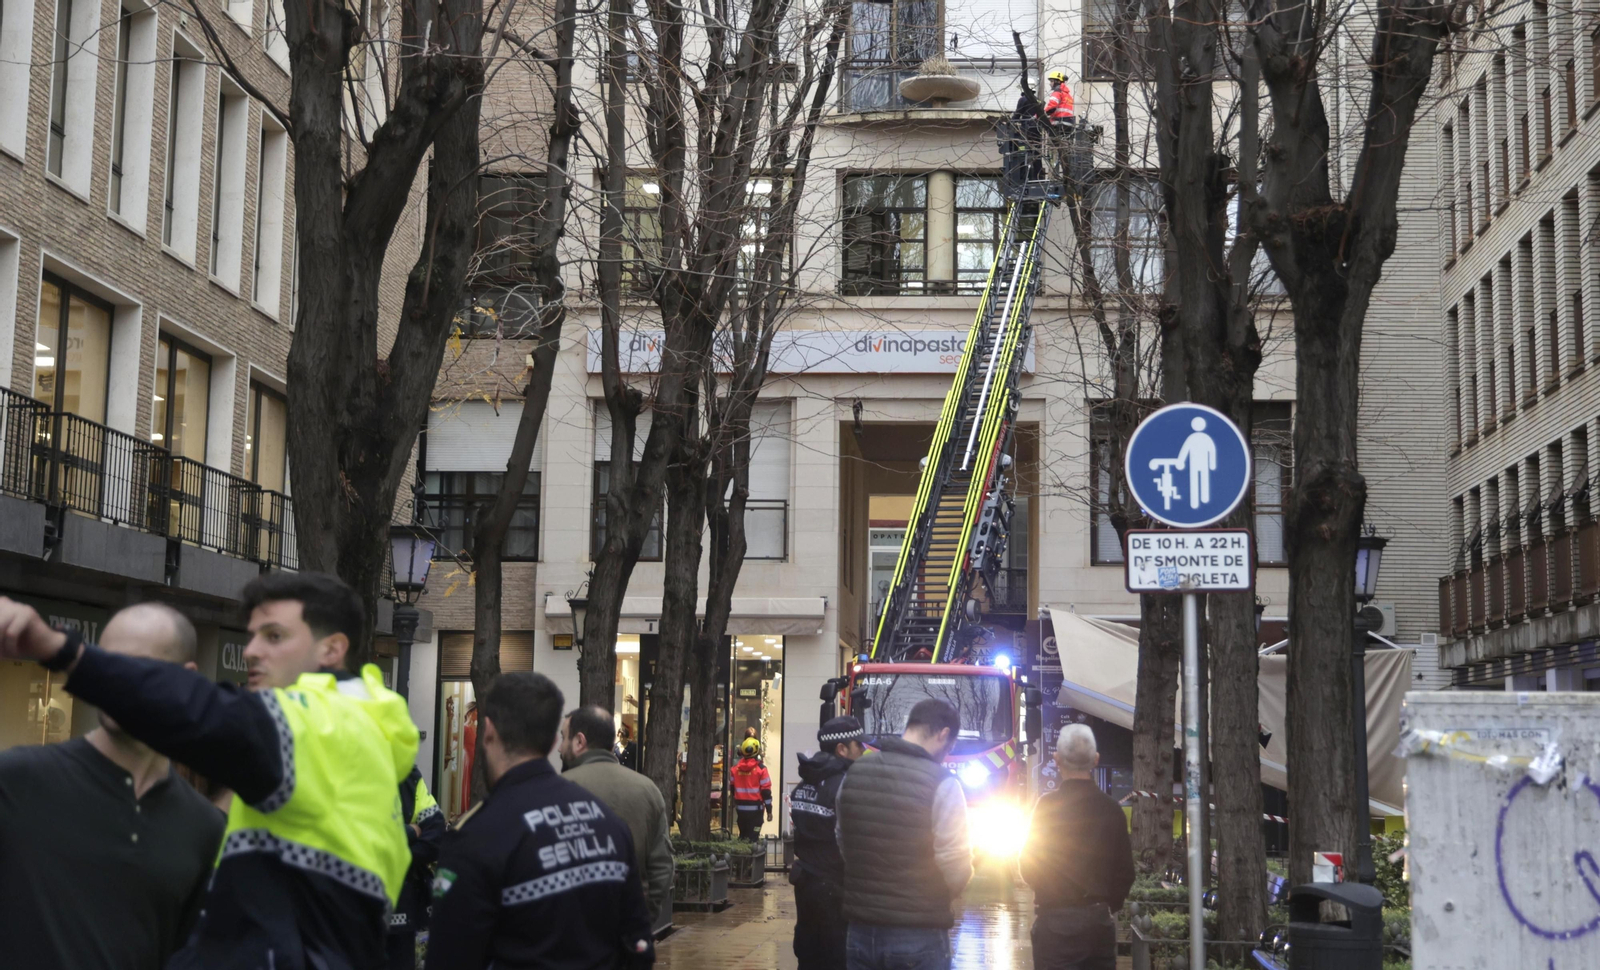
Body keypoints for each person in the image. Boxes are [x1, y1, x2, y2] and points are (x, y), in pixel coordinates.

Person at [0, 572, 420, 970]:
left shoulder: (323, 725)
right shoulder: (363, 732)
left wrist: (59, 648)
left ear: (331, 649)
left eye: (274, 636)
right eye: (252, 635)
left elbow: (204, 712)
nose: (252, 650)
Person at [0, 603, 225, 970]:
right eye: (104, 663)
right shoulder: (17, 779)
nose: (112, 679)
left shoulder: (205, 827)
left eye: (136, 666)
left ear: (186, 678)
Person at [426, 673, 655, 969]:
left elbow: (450, 956)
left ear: (489, 731)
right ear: (551, 743)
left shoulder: (475, 836)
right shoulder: (607, 823)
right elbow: (639, 946)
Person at [836, 698, 972, 970]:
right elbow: (955, 862)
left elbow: (843, 840)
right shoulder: (943, 782)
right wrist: (944, 895)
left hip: (860, 933)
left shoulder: (854, 773)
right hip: (918, 934)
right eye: (951, 746)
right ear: (943, 734)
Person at [1020, 724, 1135, 970]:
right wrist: (1106, 906)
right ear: (1096, 760)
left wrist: (1050, 894)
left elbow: (1028, 865)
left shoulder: (1046, 807)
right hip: (1098, 924)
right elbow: (1125, 872)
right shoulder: (1112, 810)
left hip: (1054, 922)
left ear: (1056, 758)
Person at [560, 705, 675, 929]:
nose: (559, 747)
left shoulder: (558, 789)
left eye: (563, 737)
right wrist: (642, 917)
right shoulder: (647, 790)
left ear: (579, 741)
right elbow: (662, 867)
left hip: (569, 930)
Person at [791, 715, 866, 970]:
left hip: (805, 883)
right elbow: (852, 839)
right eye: (859, 745)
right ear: (842, 749)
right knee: (837, 958)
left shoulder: (806, 780)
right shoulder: (846, 784)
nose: (864, 750)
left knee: (809, 956)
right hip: (836, 887)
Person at [389, 765, 446, 970]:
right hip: (359, 911)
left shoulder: (409, 775)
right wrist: (411, 832)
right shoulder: (351, 769)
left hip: (405, 911)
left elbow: (436, 835)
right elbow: (358, 835)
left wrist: (392, 855)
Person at [731, 736, 773, 841]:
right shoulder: (761, 770)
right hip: (756, 813)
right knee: (753, 840)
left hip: (740, 811)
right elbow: (766, 792)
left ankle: (742, 857)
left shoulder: (735, 769)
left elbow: (732, 789)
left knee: (743, 838)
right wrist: (769, 811)